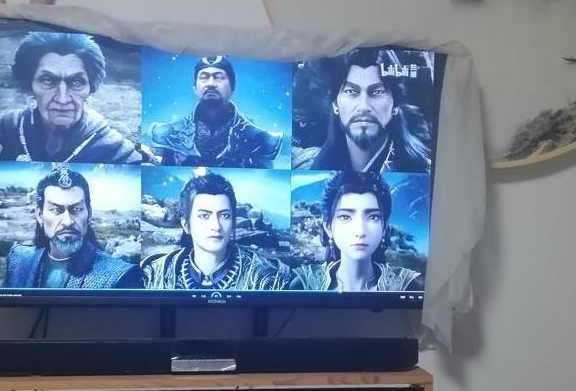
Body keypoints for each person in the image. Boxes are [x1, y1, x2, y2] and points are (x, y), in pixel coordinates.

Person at [0, 31, 142, 164]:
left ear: (90, 88)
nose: (62, 99)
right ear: (30, 86)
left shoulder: (117, 153)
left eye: (76, 82)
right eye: (48, 80)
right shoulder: (3, 132)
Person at [141, 171, 291, 291]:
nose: (216, 226)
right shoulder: (154, 273)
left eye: (224, 215)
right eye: (204, 216)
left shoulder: (269, 276)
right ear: (186, 225)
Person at [292, 48, 432, 173]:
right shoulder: (306, 167)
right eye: (351, 91)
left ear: (395, 104)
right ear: (335, 104)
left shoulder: (425, 170)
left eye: (377, 92)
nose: (364, 106)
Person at [4, 167, 142, 289]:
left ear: (89, 213)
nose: (68, 222)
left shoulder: (118, 275)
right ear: (40, 215)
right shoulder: (19, 259)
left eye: (76, 209)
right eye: (56, 210)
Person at [290, 171, 423, 293]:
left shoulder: (406, 286)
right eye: (345, 217)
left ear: (384, 228)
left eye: (373, 217)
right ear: (328, 227)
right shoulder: (305, 284)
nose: (360, 231)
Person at [146, 55, 283, 168]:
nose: (210, 83)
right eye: (204, 77)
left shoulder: (260, 139)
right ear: (195, 87)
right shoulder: (168, 134)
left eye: (218, 77)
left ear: (232, 87)